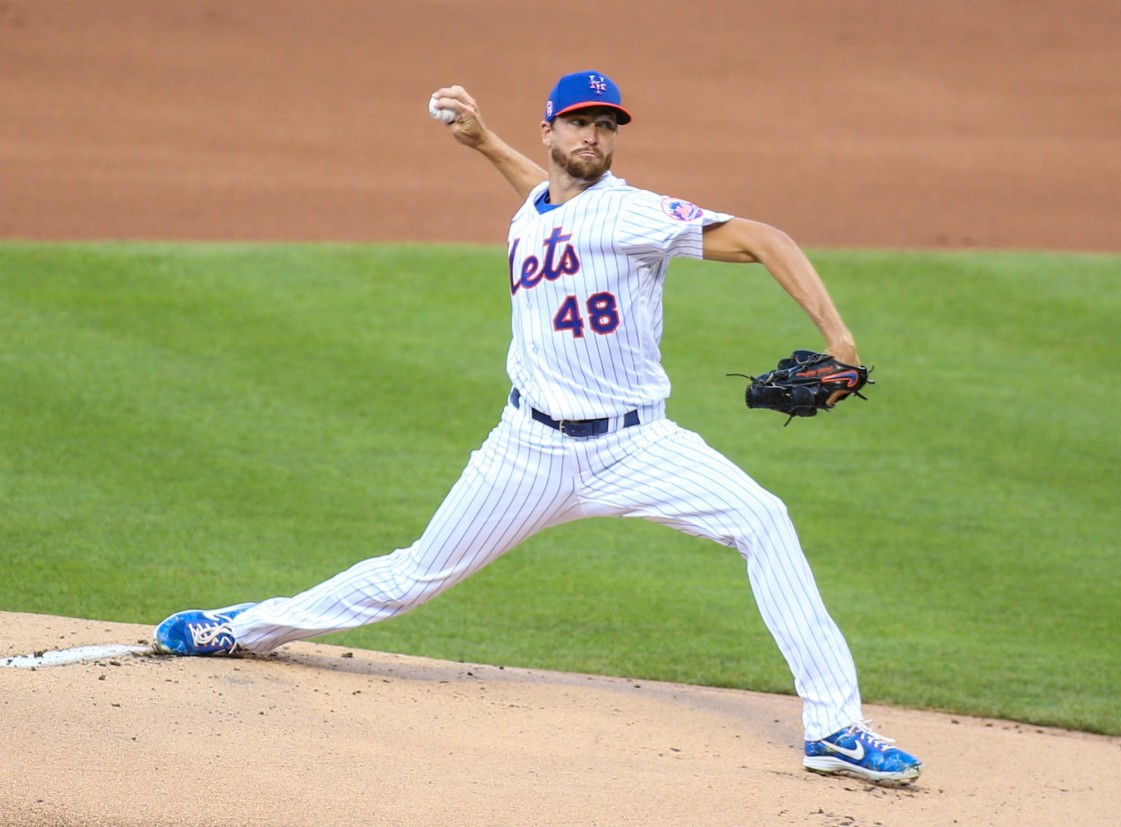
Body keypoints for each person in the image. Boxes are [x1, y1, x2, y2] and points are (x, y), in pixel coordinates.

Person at [154, 71, 922, 784]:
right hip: (528, 449)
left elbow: (765, 238)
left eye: (606, 125)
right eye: (579, 123)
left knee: (765, 519)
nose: (594, 135)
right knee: (413, 576)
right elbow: (548, 203)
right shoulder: (535, 211)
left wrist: (840, 338)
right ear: (550, 130)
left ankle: (834, 728)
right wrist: (486, 143)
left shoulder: (632, 211)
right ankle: (244, 626)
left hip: (638, 444)